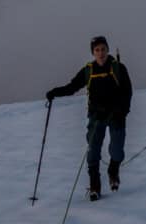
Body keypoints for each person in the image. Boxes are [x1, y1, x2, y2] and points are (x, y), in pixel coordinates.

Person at [46, 36, 132, 201]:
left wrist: (122, 111)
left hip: (116, 116)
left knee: (117, 150)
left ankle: (113, 171)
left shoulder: (118, 68)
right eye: (97, 50)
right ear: (93, 52)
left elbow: (127, 92)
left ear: (108, 49)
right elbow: (72, 87)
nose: (100, 53)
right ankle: (95, 186)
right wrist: (54, 92)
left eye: (103, 49)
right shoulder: (88, 70)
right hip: (96, 116)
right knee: (93, 151)